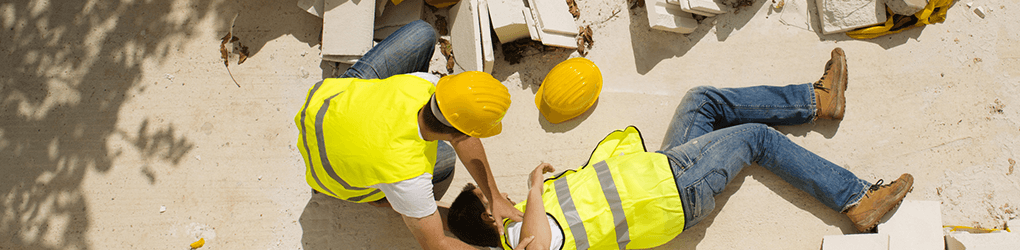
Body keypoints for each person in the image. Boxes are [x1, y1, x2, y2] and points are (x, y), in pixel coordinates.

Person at [446, 48, 914, 249]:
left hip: (661, 173)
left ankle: (817, 100)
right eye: (490, 198)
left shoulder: (530, 223)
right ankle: (855, 198)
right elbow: (540, 242)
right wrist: (530, 189)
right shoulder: (522, 238)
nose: (497, 192)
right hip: (675, 191)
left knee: (700, 100)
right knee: (756, 138)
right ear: (493, 218)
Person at [294, 20, 525, 249]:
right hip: (327, 174)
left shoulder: (422, 83)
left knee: (422, 33)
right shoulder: (408, 175)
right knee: (444, 161)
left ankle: (417, 211)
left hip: (326, 105)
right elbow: (436, 244)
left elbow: (461, 134)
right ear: (461, 131)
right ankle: (385, 200)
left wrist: (494, 197)